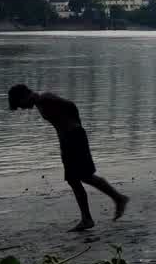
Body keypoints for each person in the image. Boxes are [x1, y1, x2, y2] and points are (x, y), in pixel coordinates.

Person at [8, 83, 129, 231]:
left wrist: (75, 127)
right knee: (75, 179)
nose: (22, 108)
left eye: (20, 104)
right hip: (68, 140)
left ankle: (115, 201)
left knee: (86, 176)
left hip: (74, 138)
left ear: (24, 96)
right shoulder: (41, 102)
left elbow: (71, 105)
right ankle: (90, 216)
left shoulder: (45, 98)